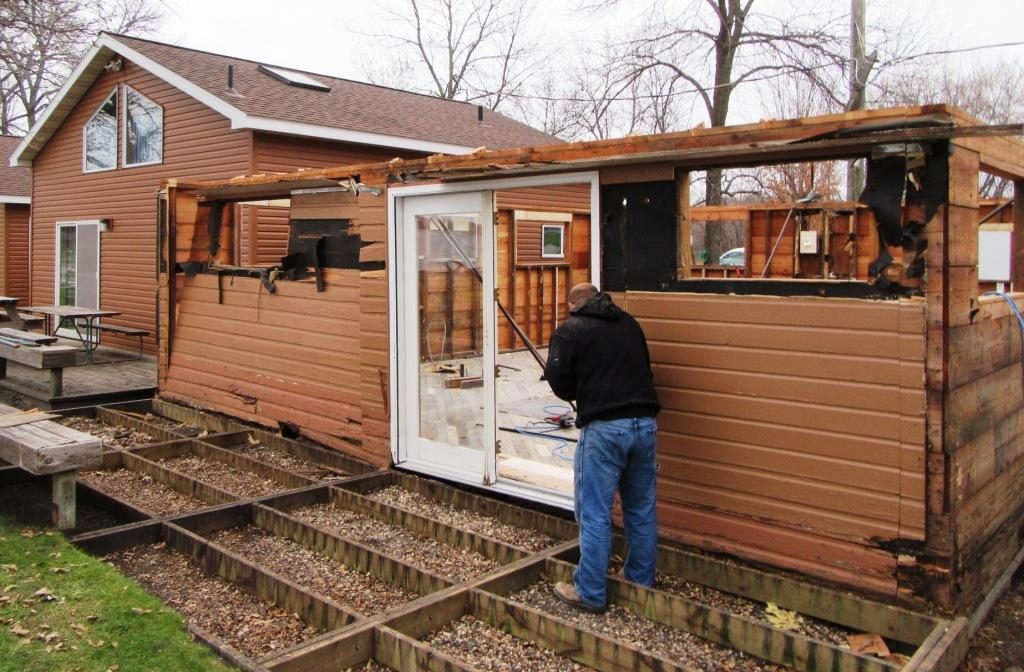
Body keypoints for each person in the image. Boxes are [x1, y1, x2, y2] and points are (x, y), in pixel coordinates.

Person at [544, 282, 660, 613]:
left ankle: (590, 592)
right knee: (641, 508)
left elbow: (559, 381)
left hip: (606, 429)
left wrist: (578, 385)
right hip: (645, 423)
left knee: (594, 512)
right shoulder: (629, 323)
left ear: (573, 304)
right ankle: (639, 580)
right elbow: (644, 369)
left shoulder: (571, 330)